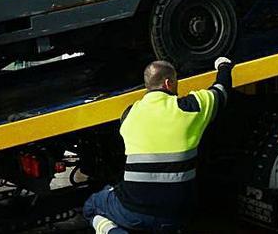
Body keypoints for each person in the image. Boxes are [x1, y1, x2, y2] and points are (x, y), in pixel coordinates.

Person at [83, 56, 234, 234]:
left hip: (133, 212)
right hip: (176, 215)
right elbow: (221, 89)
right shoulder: (191, 107)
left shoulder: (129, 115)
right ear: (168, 83)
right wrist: (223, 66)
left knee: (91, 207)